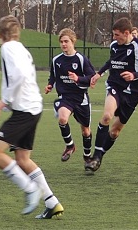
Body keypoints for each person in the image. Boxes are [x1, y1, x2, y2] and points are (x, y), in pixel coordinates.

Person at [0, 15, 63, 219]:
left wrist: (3, 102)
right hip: (32, 109)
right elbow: (24, 79)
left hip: (25, 112)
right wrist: (4, 102)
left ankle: (30, 189)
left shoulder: (7, 48)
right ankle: (52, 202)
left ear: (0, 34)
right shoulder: (20, 48)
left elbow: (19, 76)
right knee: (22, 159)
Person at [86, 17, 138, 172]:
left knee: (114, 131)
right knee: (106, 116)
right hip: (115, 86)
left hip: (133, 93)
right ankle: (96, 157)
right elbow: (112, 61)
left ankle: (100, 155)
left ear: (126, 33)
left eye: (117, 35)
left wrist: (135, 75)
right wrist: (99, 74)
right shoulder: (114, 46)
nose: (114, 38)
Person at [44, 28, 96, 163]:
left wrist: (78, 78)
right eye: (61, 42)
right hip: (66, 97)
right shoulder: (56, 60)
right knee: (62, 118)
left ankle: (87, 156)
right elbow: (53, 76)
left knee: (85, 131)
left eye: (66, 41)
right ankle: (70, 145)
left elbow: (92, 77)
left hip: (80, 98)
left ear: (73, 42)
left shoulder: (81, 59)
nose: (63, 44)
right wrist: (50, 85)